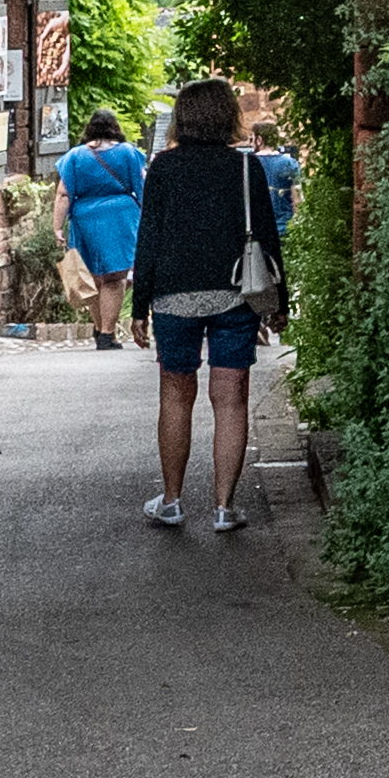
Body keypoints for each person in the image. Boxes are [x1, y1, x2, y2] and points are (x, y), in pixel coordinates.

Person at [130, 79, 288, 532]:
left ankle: (173, 500)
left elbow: (150, 239)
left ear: (182, 117)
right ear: (228, 117)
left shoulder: (163, 168)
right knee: (231, 399)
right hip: (234, 293)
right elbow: (267, 239)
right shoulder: (246, 169)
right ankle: (223, 507)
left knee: (176, 396)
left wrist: (139, 306)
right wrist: (281, 301)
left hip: (174, 294)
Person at [55, 110, 147, 352]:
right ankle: (107, 333)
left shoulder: (75, 156)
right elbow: (141, 186)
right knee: (115, 278)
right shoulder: (128, 153)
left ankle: (100, 328)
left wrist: (57, 226)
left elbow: (63, 194)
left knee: (94, 277)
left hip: (85, 218)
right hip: (121, 217)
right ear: (115, 127)